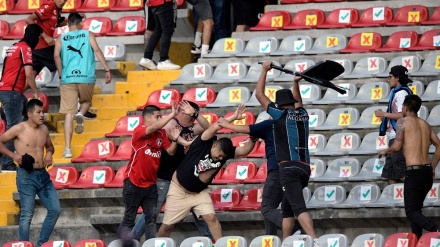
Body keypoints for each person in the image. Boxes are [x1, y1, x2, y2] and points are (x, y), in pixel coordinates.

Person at [157, 104, 257, 241]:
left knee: (211, 218)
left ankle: (219, 245)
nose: (220, 158)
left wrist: (253, 140)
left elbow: (244, 151)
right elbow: (215, 125)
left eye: (222, 157)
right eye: (219, 155)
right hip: (179, 190)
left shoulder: (225, 153)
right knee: (167, 226)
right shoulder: (203, 142)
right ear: (215, 145)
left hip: (199, 192)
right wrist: (233, 117)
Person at [131, 100, 213, 240]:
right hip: (165, 177)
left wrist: (196, 114)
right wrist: (187, 142)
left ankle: (209, 239)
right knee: (152, 211)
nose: (190, 117)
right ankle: (133, 238)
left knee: (200, 210)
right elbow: (171, 134)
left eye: (190, 113)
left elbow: (209, 128)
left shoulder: (192, 128)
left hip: (185, 178)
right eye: (186, 112)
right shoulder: (172, 123)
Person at [256, 61, 317, 240]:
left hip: (288, 168)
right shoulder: (303, 115)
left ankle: (314, 239)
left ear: (280, 105)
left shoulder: (280, 115)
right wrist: (296, 83)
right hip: (305, 168)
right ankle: (286, 241)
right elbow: (299, 103)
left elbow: (259, 95)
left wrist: (264, 71)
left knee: (298, 207)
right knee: (287, 209)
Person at [217, 117, 303, 235]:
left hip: (277, 171)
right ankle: (271, 239)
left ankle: (295, 231)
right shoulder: (292, 125)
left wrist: (227, 125)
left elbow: (248, 129)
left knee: (267, 208)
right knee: (272, 208)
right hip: (293, 170)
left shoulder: (270, 124)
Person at [117, 103, 181, 245]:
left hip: (151, 185)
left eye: (160, 116)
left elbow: (170, 151)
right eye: (157, 116)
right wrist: (171, 115)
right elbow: (153, 127)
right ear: (147, 118)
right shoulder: (139, 131)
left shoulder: (161, 134)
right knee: (129, 218)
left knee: (151, 219)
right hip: (133, 182)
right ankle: (121, 243)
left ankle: (150, 244)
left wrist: (175, 139)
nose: (159, 119)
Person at [0, 99, 60, 247]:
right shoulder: (19, 128)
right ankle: (24, 245)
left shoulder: (44, 129)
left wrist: (49, 154)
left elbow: (50, 147)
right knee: (27, 214)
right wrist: (14, 156)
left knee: (55, 209)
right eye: (38, 112)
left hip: (43, 176)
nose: (42, 115)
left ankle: (41, 244)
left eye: (43, 112)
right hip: (26, 176)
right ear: (29, 113)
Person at [379, 95, 440, 238]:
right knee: (416, 211)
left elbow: (396, 146)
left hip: (414, 172)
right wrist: (433, 166)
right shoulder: (425, 124)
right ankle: (416, 239)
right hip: (426, 171)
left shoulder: (402, 121)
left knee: (411, 211)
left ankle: (436, 229)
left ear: (405, 108)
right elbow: (439, 146)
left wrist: (385, 150)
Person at [54, 12, 112, 159]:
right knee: (86, 102)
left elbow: (56, 56)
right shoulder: (88, 34)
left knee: (68, 113)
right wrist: (106, 68)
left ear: (68, 24)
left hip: (68, 78)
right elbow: (97, 50)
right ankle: (81, 113)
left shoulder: (61, 38)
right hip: (86, 76)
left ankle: (67, 149)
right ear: (80, 23)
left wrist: (61, 74)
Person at [0, 24, 43, 171]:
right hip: (12, 93)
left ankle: (28, 150)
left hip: (8, 92)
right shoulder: (25, 48)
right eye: (38, 37)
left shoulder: (14, 46)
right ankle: (6, 162)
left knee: (27, 118)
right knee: (14, 127)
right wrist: (36, 92)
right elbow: (29, 73)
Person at [375, 65, 413, 184]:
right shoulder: (395, 92)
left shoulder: (402, 93)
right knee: (390, 173)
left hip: (399, 135)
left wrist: (384, 114)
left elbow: (404, 115)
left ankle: (411, 195)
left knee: (401, 172)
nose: (388, 79)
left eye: (390, 77)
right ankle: (395, 200)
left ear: (397, 78)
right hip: (393, 135)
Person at [139, 0, 180, 70]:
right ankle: (163, 59)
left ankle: (147, 57)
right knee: (167, 30)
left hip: (155, 3)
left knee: (158, 29)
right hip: (163, 3)